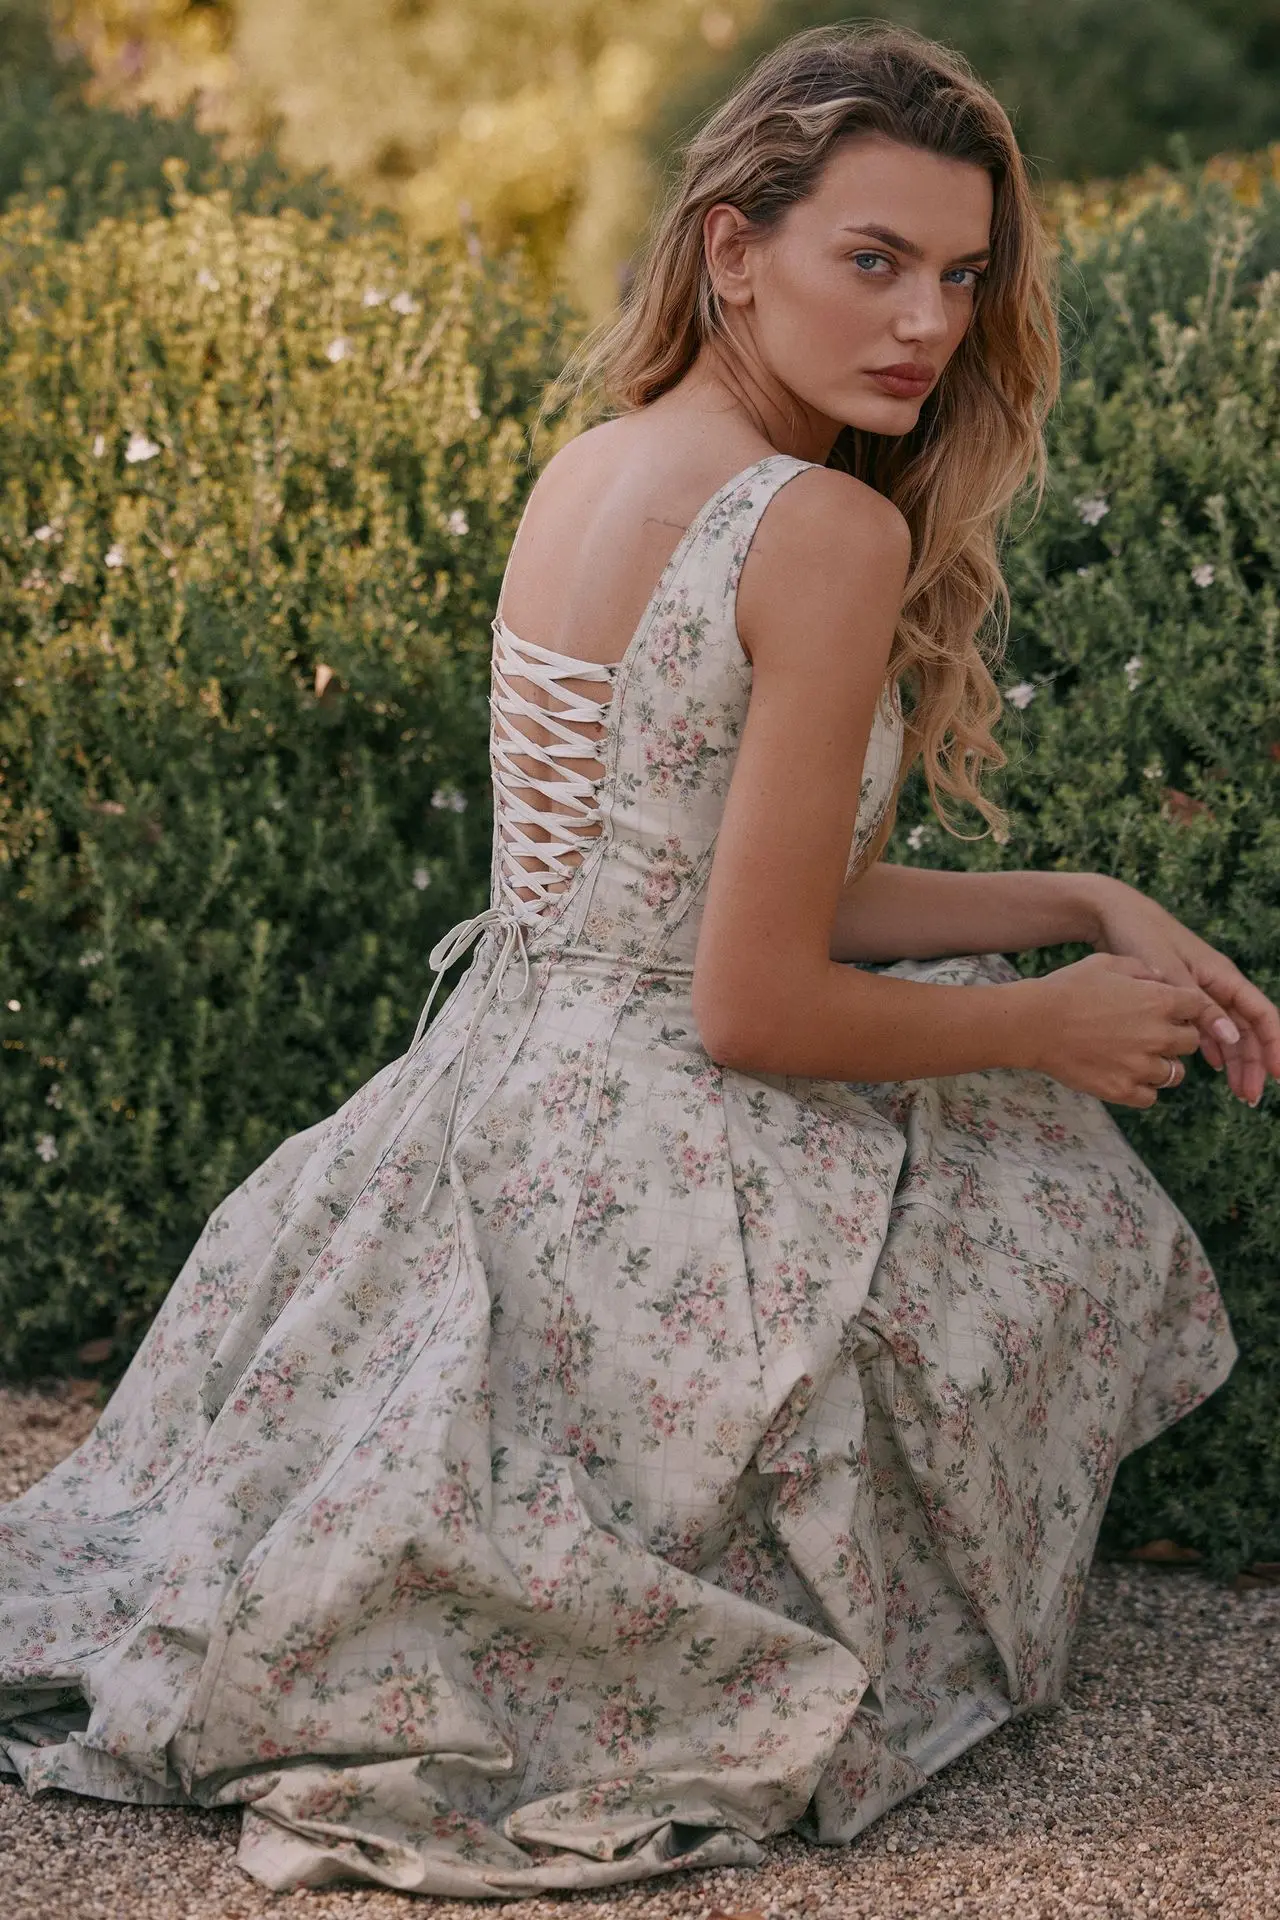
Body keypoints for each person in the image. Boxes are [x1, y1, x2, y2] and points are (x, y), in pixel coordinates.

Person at [2, 19, 1276, 1903]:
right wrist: (1051, 1028)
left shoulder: (596, 461)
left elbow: (701, 892)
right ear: (733, 250)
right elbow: (750, 1002)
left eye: (961, 276)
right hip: (657, 1140)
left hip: (492, 1100)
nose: (926, 323)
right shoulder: (823, 528)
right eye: (875, 259)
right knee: (1043, 1192)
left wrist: (1080, 901)